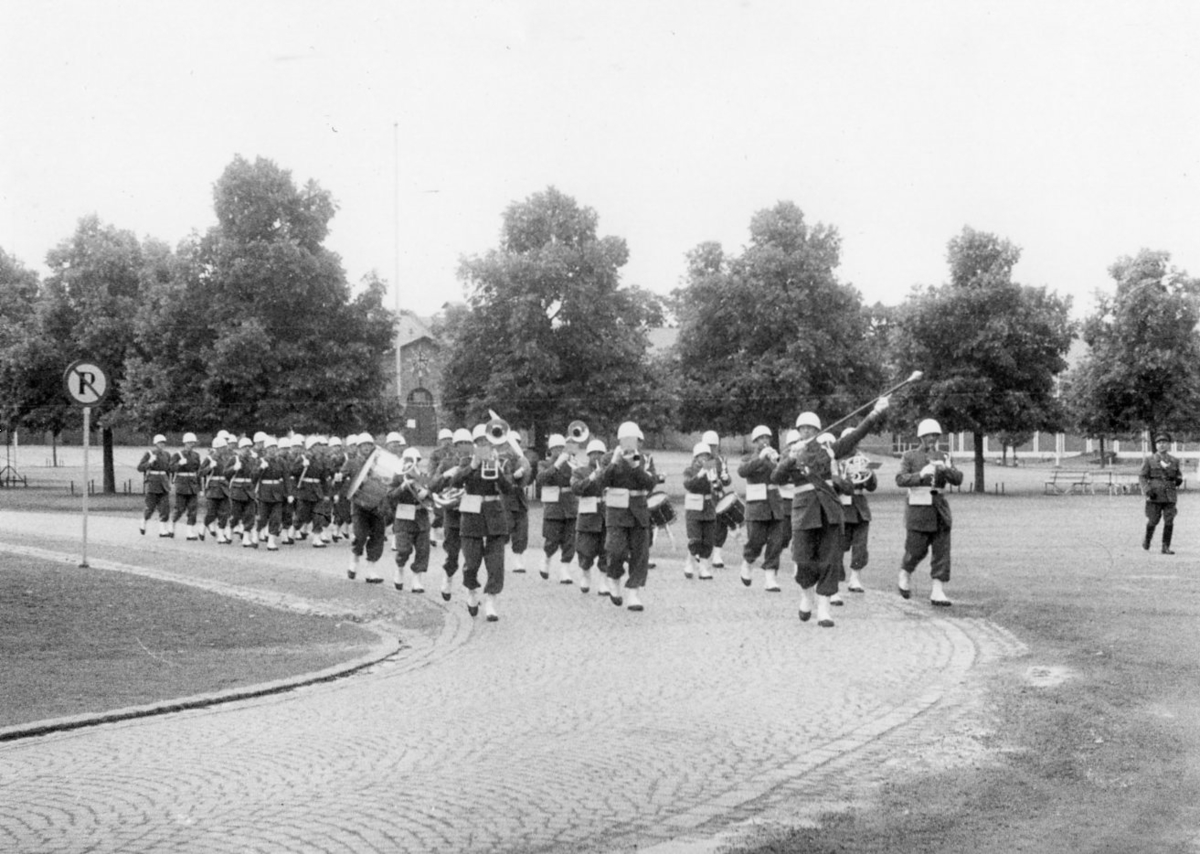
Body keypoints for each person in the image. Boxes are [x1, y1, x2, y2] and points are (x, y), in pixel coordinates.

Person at [772, 398, 889, 627]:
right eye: (803, 428)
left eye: (811, 428)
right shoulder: (791, 453)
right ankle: (807, 596)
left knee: (829, 560)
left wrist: (875, 413)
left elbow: (855, 436)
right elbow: (776, 477)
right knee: (802, 560)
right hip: (804, 513)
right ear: (798, 431)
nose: (807, 431)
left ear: (817, 431)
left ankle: (824, 609)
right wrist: (791, 458)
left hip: (829, 512)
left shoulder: (828, 451)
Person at [447, 424, 517, 620]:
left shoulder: (500, 461)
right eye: (480, 442)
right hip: (472, 516)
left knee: (496, 564)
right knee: (471, 562)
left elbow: (509, 489)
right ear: (474, 444)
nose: (484, 444)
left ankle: (491, 602)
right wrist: (473, 465)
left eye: (487, 441)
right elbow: (455, 482)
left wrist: (498, 471)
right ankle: (471, 592)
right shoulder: (466, 462)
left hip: (494, 515)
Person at [895, 418, 963, 606]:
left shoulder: (944, 455)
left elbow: (958, 479)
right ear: (921, 437)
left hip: (938, 508)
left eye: (935, 435)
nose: (932, 438)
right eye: (928, 435)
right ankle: (905, 573)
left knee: (942, 551)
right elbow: (900, 479)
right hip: (918, 509)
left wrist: (945, 469)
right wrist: (921, 475)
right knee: (915, 549)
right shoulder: (909, 456)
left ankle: (937, 590)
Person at [597, 421, 658, 611]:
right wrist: (614, 463)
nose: (631, 444)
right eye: (626, 440)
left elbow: (651, 483)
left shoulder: (645, 458)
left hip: (639, 512)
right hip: (617, 512)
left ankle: (633, 593)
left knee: (640, 554)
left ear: (639, 441)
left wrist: (635, 467)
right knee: (615, 550)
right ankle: (614, 579)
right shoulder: (609, 458)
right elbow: (601, 481)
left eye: (634, 440)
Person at [738, 425, 787, 592]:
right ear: (755, 441)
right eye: (761, 439)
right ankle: (747, 562)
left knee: (776, 542)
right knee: (756, 540)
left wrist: (775, 463)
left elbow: (783, 478)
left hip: (775, 505)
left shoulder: (774, 457)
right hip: (757, 506)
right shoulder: (748, 458)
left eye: (767, 438)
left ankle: (770, 578)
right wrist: (760, 458)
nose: (764, 441)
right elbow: (742, 471)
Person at [431, 428, 474, 600]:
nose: (464, 446)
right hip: (453, 515)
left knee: (472, 557)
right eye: (460, 444)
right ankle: (448, 578)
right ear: (455, 446)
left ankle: (471, 592)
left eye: (467, 443)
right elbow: (432, 485)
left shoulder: (477, 462)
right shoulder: (447, 463)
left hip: (472, 515)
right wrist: (445, 475)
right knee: (452, 553)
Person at [838, 426, 878, 592]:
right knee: (838, 545)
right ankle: (836, 577)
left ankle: (855, 578)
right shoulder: (836, 460)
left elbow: (872, 486)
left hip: (860, 508)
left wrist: (868, 473)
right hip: (842, 507)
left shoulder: (862, 459)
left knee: (860, 546)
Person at [536, 433, 579, 584]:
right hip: (553, 506)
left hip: (570, 505)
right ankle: (546, 559)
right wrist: (556, 465)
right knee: (552, 539)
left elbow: (579, 480)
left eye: (562, 447)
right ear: (551, 449)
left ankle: (565, 570)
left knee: (570, 541)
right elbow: (540, 479)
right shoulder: (544, 464)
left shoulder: (571, 463)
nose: (559, 450)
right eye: (556, 448)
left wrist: (576, 467)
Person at [389, 447, 433, 592]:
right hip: (404, 518)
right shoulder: (397, 477)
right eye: (407, 460)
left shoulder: (423, 477)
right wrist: (402, 487)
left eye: (414, 460)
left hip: (421, 518)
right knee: (404, 549)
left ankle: (417, 580)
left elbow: (434, 494)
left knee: (423, 550)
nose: (411, 463)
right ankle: (399, 569)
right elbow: (389, 496)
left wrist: (427, 492)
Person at [344, 433, 386, 583]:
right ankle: (354, 562)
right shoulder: (351, 463)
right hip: (359, 505)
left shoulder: (379, 463)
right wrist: (341, 479)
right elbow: (343, 480)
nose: (367, 447)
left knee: (377, 537)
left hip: (377, 505)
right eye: (364, 445)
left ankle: (371, 571)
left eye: (369, 444)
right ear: (359, 447)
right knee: (360, 535)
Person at [571, 438, 610, 595]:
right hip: (588, 516)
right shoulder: (580, 472)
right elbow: (576, 488)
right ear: (588, 455)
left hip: (606, 516)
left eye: (600, 453)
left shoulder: (609, 472)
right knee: (585, 551)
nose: (597, 456)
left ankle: (603, 582)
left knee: (606, 551)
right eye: (594, 453)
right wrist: (591, 478)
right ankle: (585, 574)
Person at [680, 441, 720, 580]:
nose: (704, 458)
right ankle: (689, 562)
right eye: (701, 455)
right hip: (694, 509)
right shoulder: (689, 470)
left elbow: (718, 487)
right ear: (696, 457)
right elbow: (688, 485)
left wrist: (716, 482)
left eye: (706, 455)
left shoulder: (711, 468)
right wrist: (700, 474)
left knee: (708, 540)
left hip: (708, 508)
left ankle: (703, 568)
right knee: (695, 539)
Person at [1139, 431, 1184, 554]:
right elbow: (1142, 476)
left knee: (1169, 520)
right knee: (1153, 520)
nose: (1162, 445)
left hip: (1170, 493)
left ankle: (1165, 546)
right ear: (1156, 445)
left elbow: (1178, 474)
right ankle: (1147, 540)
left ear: (1169, 445)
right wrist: (1147, 490)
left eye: (1164, 442)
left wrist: (1178, 479)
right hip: (1155, 493)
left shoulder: (1174, 460)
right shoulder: (1149, 460)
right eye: (1159, 443)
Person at [501, 431, 534, 574]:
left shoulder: (522, 460)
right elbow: (498, 479)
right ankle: (499, 558)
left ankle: (518, 560)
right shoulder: (500, 459)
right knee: (504, 530)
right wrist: (513, 476)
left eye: (517, 443)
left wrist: (525, 472)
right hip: (505, 499)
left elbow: (528, 480)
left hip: (519, 498)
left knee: (521, 531)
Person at [253, 436, 293, 552]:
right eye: (270, 447)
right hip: (264, 492)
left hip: (277, 493)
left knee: (276, 518)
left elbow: (286, 478)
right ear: (266, 449)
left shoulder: (281, 462)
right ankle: (257, 533)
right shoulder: (261, 461)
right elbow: (253, 477)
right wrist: (260, 469)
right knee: (262, 517)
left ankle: (271, 541)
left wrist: (289, 493)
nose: (273, 450)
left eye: (275, 447)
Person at [701, 430, 734, 567]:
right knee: (705, 525)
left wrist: (726, 479)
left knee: (721, 525)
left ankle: (717, 555)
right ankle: (701, 552)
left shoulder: (721, 460)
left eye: (714, 446)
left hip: (718, 496)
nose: (711, 449)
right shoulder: (701, 460)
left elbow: (726, 480)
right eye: (709, 446)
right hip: (705, 496)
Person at [168, 432, 203, 539]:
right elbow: (170, 468)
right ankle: (171, 525)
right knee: (180, 508)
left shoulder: (196, 455)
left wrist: (200, 488)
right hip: (182, 484)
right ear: (185, 443)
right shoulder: (177, 455)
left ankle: (189, 532)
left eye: (193, 442)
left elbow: (198, 473)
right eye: (189, 442)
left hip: (193, 485)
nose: (191, 444)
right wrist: (179, 464)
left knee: (193, 509)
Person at [199, 434, 233, 544]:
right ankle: (203, 525)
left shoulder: (227, 459)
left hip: (224, 487)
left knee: (224, 512)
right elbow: (200, 473)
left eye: (225, 447)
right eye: (222, 448)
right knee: (211, 513)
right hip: (213, 488)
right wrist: (210, 467)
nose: (224, 449)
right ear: (217, 448)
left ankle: (221, 535)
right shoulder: (209, 459)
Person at [227, 437, 259, 547]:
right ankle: (230, 531)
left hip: (249, 490)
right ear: (240, 448)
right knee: (235, 515)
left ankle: (246, 539)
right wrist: (233, 468)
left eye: (249, 446)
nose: (247, 448)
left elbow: (255, 476)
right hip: (237, 490)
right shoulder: (234, 459)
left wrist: (258, 468)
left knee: (249, 515)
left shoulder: (253, 460)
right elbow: (225, 473)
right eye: (245, 447)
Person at [137, 434, 172, 537]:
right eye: (160, 443)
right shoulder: (149, 453)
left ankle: (162, 530)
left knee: (165, 508)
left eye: (163, 443)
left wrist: (168, 481)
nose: (162, 444)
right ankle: (143, 521)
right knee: (150, 507)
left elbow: (168, 469)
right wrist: (149, 462)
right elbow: (140, 468)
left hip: (163, 483)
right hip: (153, 483)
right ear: (155, 444)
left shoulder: (167, 455)